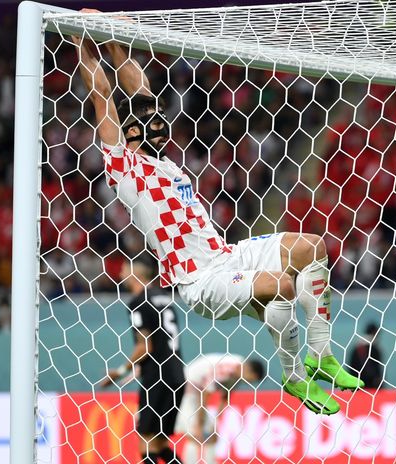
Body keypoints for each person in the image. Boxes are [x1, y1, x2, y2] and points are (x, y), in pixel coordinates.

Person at [75, 18, 361, 415]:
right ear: (128, 135)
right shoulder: (124, 169)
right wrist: (82, 38)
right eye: (146, 126)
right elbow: (102, 93)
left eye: (158, 122)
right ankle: (295, 377)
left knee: (310, 248)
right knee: (279, 286)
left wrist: (115, 39)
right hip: (199, 280)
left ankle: (322, 356)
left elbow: (137, 88)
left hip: (227, 255)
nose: (158, 129)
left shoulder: (167, 165)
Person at [101, 258, 185, 464]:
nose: (120, 274)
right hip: (176, 376)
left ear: (135, 274)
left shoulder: (138, 301)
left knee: (145, 443)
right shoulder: (163, 297)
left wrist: (120, 371)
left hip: (157, 377)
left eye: (124, 270)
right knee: (160, 444)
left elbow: (145, 346)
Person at [175, 354, 265, 464]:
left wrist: (215, 423)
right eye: (251, 380)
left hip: (199, 391)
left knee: (211, 435)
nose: (249, 383)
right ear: (250, 372)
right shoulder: (226, 368)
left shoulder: (238, 372)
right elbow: (205, 395)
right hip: (187, 386)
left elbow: (225, 395)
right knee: (194, 433)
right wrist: (199, 423)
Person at [348, 323, 383, 389]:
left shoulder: (356, 348)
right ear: (375, 332)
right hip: (372, 387)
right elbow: (377, 369)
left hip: (356, 385)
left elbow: (350, 367)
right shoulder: (374, 348)